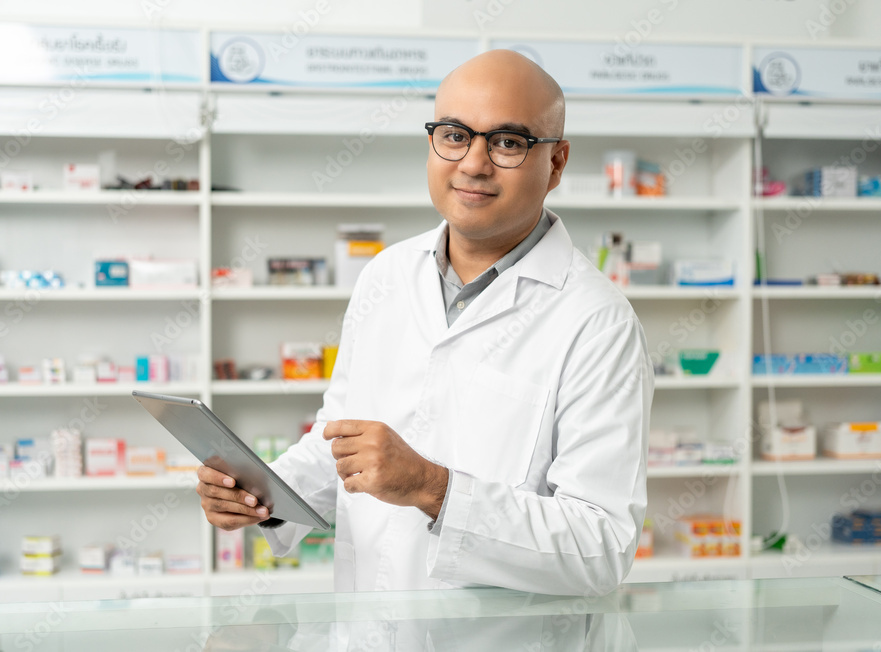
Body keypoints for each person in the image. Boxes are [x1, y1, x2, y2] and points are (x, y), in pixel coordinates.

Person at [197, 49, 654, 597]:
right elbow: (339, 440)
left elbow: (599, 547)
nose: (474, 164)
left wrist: (433, 488)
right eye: (456, 134)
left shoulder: (597, 322)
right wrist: (262, 495)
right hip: (367, 628)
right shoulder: (386, 275)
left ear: (555, 163)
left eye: (508, 142)